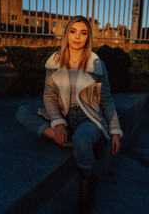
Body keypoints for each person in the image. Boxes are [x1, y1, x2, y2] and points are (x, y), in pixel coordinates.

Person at [16, 15, 123, 214]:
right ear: (66, 34)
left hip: (88, 118)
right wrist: (58, 123)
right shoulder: (55, 60)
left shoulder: (96, 63)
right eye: (73, 31)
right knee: (22, 112)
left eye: (83, 33)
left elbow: (106, 99)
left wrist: (115, 131)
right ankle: (72, 143)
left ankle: (87, 180)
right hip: (63, 115)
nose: (77, 37)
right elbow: (49, 96)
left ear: (88, 36)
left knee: (83, 137)